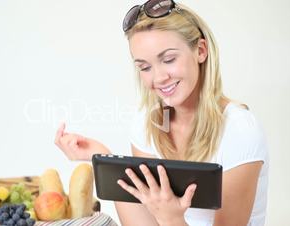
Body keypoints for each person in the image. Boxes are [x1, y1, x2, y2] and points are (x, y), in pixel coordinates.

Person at [54, 0, 268, 225]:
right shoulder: (148, 124)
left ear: (201, 51)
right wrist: (103, 158)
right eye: (145, 67)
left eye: (168, 59)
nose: (158, 78)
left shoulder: (239, 129)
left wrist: (172, 219)